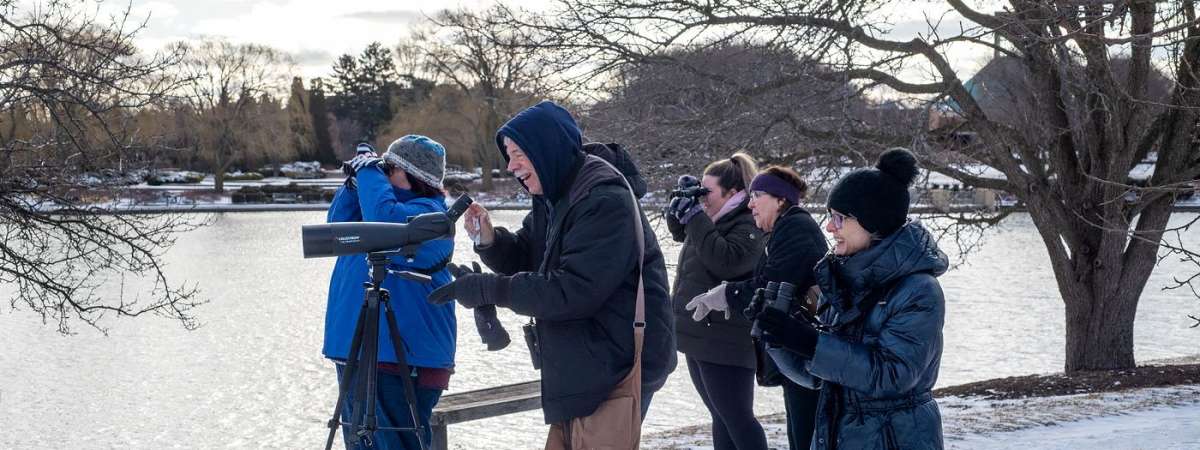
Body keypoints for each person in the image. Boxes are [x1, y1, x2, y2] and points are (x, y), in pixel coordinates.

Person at [425, 100, 676, 440]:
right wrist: (489, 240)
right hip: (581, 365)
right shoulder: (556, 193)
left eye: (518, 153)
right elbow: (529, 255)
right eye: (508, 155)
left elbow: (571, 291)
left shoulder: (603, 201)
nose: (511, 166)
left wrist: (488, 289)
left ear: (546, 147)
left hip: (615, 367)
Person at [756, 148, 948, 450]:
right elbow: (817, 378)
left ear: (873, 222)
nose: (830, 227)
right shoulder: (844, 279)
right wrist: (778, 337)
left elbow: (892, 376)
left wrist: (812, 343)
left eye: (839, 218)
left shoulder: (919, 290)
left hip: (894, 440)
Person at [323, 136, 456, 450]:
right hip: (358, 351)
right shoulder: (375, 212)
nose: (381, 175)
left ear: (412, 175)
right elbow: (336, 227)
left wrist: (368, 170)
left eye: (388, 169)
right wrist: (355, 185)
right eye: (379, 169)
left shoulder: (431, 218)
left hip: (400, 358)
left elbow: (389, 222)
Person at [688, 164, 827, 449]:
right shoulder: (784, 229)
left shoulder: (796, 228)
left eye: (757, 195)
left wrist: (727, 293)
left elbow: (770, 287)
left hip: (809, 348)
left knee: (806, 436)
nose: (750, 203)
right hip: (798, 347)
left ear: (780, 199)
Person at [664, 153, 768, 450]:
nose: (702, 199)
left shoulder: (747, 222)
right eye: (700, 190)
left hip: (728, 340)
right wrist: (680, 204)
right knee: (720, 417)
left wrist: (695, 215)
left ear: (733, 193)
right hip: (701, 335)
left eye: (707, 192)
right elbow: (680, 232)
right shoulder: (714, 218)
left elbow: (727, 263)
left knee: (738, 419)